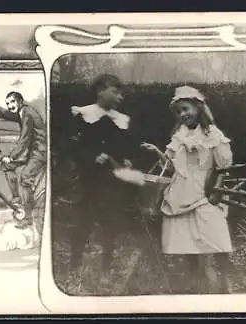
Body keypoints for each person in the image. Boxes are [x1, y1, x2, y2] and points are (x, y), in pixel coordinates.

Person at [141, 85, 234, 294]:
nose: (183, 115)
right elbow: (172, 164)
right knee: (186, 237)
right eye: (178, 112)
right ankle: (196, 277)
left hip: (204, 188)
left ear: (198, 107)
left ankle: (224, 277)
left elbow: (223, 164)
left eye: (186, 109)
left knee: (215, 232)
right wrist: (157, 151)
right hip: (181, 188)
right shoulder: (179, 135)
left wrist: (216, 189)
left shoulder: (212, 133)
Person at [68, 74, 138, 282]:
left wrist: (126, 161)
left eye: (121, 94)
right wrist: (91, 157)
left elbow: (124, 148)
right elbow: (72, 148)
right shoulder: (83, 114)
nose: (120, 97)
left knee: (110, 224)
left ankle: (106, 267)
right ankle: (75, 263)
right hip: (89, 179)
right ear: (100, 91)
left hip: (111, 181)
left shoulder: (122, 120)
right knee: (83, 221)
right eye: (115, 92)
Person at [0, 91, 47, 229]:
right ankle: (17, 202)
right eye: (8, 103)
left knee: (25, 178)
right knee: (7, 166)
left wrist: (11, 156)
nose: (9, 106)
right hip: (33, 151)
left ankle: (28, 217)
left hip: (41, 152)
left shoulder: (27, 113)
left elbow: (24, 139)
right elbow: (3, 113)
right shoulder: (21, 112)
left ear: (20, 101)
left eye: (12, 102)